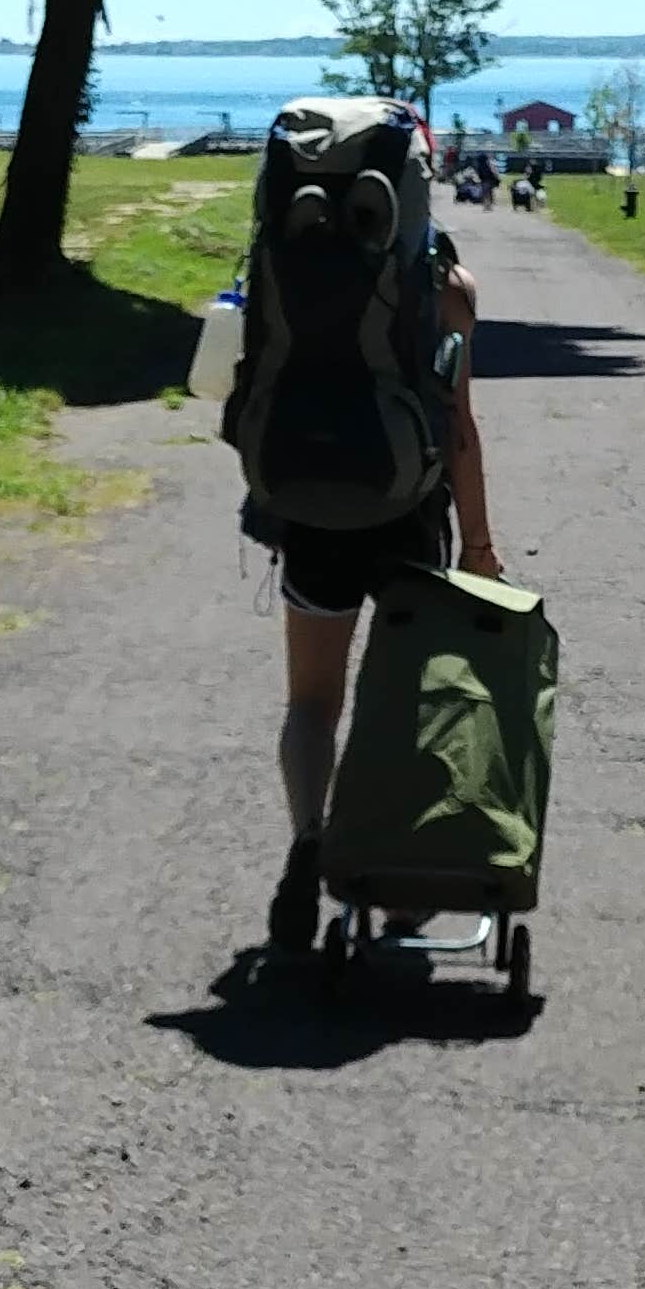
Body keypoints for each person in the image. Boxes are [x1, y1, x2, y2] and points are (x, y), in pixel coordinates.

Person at [264, 217, 503, 953]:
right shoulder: (446, 284)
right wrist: (479, 545)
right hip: (408, 510)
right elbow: (458, 426)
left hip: (311, 507)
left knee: (311, 699)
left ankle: (310, 838)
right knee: (409, 703)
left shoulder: (289, 265)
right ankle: (403, 885)